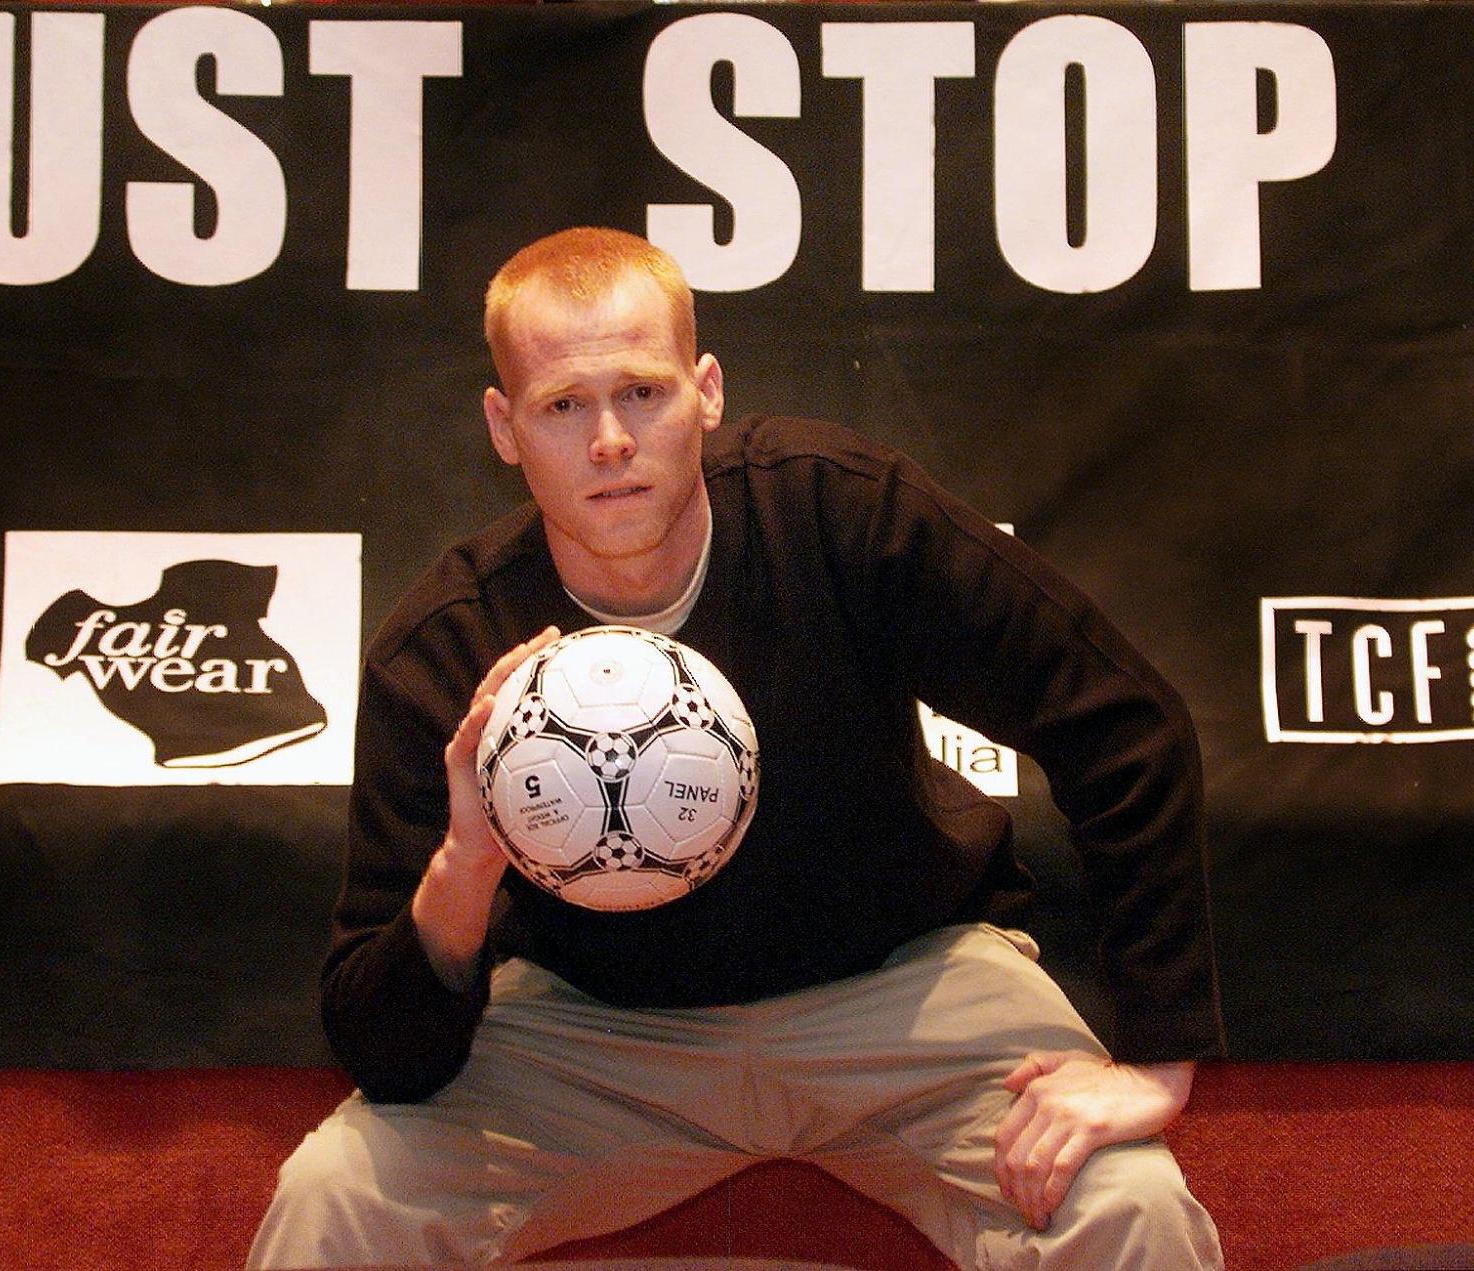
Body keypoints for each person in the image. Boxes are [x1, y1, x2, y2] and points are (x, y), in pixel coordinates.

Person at [248, 227, 1225, 1270]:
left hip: (903, 987)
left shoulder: (836, 514)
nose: (610, 441)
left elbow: (1121, 720)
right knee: (333, 1197)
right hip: (594, 1026)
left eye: (642, 392)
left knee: (1128, 1206)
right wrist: (468, 860)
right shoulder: (448, 648)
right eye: (562, 406)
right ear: (503, 424)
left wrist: (1158, 1059)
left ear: (705, 390)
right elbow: (384, 1051)